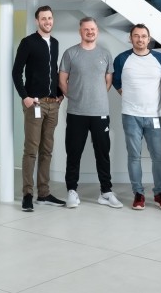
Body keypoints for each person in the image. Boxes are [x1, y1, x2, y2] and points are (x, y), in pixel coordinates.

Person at [60, 17, 119, 208]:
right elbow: (62, 80)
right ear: (80, 31)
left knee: (103, 153)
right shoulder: (71, 53)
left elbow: (108, 81)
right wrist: (75, 97)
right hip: (76, 112)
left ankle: (106, 192)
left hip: (100, 112)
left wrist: (97, 97)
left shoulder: (105, 54)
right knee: (73, 153)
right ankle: (72, 191)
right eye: (86, 29)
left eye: (93, 29)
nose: (90, 32)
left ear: (97, 31)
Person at [12, 6, 66, 211]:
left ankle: (44, 194)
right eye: (43, 18)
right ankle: (27, 194)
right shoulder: (28, 42)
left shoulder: (55, 43)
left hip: (53, 104)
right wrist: (24, 97)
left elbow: (53, 71)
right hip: (34, 103)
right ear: (37, 21)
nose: (47, 21)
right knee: (31, 150)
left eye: (50, 18)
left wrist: (60, 94)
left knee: (47, 151)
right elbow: (16, 72)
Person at [113, 24, 161, 211]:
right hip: (131, 115)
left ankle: (159, 193)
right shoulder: (122, 59)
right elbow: (116, 82)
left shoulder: (159, 59)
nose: (140, 39)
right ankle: (138, 193)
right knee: (134, 156)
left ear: (149, 38)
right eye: (136, 36)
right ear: (131, 38)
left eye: (143, 36)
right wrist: (130, 97)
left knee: (159, 157)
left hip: (154, 115)